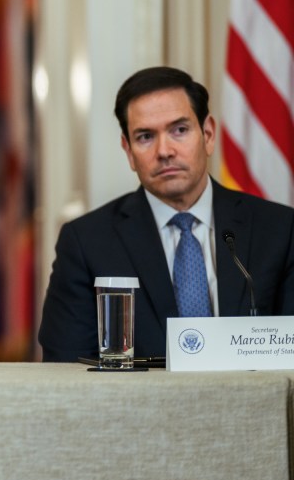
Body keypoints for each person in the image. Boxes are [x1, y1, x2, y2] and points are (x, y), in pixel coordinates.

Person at [38, 66, 294, 362]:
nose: (165, 150)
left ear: (208, 134)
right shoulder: (87, 243)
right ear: (128, 151)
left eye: (180, 130)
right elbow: (66, 368)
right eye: (146, 136)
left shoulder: (279, 231)